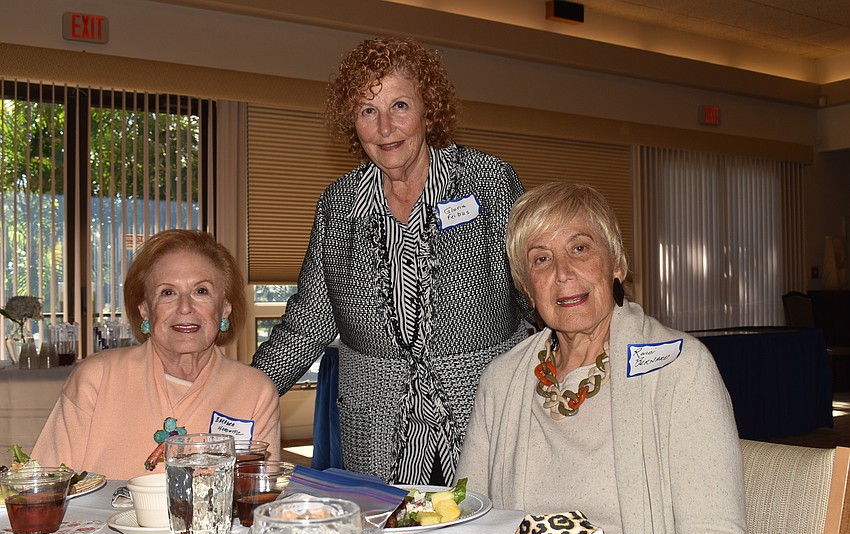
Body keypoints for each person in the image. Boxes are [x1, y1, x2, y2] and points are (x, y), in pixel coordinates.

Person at [252, 37, 529, 485]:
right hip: (377, 425)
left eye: (400, 105)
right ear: (352, 123)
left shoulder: (489, 183)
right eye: (367, 111)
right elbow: (307, 325)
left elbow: (535, 292)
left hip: (486, 410)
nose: (385, 128)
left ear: (428, 110)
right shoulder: (339, 206)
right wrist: (237, 399)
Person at [456, 183, 750, 534]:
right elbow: (467, 523)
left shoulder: (680, 370)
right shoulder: (501, 380)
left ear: (616, 264)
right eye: (541, 259)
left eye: (580, 248)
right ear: (528, 289)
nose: (563, 273)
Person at [33, 230, 281, 479]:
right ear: (145, 310)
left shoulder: (255, 391)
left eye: (201, 291)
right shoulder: (96, 377)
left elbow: (256, 499)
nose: (185, 308)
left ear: (225, 308)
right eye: (168, 293)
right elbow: (45, 483)